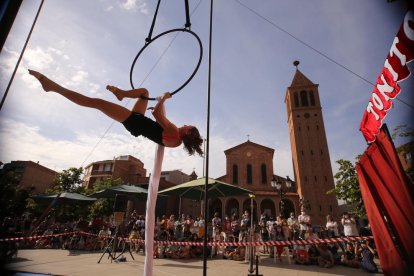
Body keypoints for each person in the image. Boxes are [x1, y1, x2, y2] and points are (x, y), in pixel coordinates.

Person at [28, 70, 203, 155]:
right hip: (138, 121)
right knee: (144, 92)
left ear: (188, 131)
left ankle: (53, 87)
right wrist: (159, 101)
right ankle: (122, 93)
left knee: (95, 102)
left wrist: (163, 98)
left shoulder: (174, 132)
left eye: (188, 125)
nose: (185, 124)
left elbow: (157, 115)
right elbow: (161, 118)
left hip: (134, 122)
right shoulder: (176, 140)